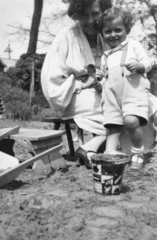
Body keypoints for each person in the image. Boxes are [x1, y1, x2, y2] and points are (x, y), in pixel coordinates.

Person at [41, 0, 112, 169]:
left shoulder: (108, 35)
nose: (89, 20)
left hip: (103, 92)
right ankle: (100, 149)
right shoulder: (66, 35)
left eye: (95, 14)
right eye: (84, 15)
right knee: (117, 111)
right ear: (76, 14)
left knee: (140, 104)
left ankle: (90, 147)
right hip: (73, 96)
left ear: (103, 12)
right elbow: (51, 79)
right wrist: (82, 83)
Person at [100, 7, 157, 170]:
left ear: (126, 30)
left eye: (118, 30)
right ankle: (110, 154)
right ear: (102, 33)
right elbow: (104, 77)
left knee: (131, 121)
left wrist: (140, 66)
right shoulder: (105, 56)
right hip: (112, 98)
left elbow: (149, 63)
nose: (113, 34)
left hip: (133, 93)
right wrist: (99, 81)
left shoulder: (133, 46)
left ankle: (137, 151)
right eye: (108, 31)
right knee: (112, 127)